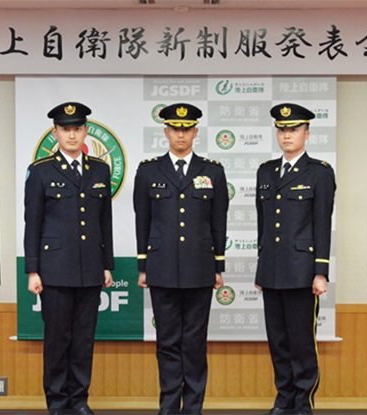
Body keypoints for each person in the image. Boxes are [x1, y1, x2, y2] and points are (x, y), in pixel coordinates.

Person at [133, 103, 228, 415]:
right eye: (175, 129)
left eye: (187, 129)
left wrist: (218, 265)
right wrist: (143, 265)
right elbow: (142, 221)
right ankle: (169, 406)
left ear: (196, 132)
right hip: (161, 269)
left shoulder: (212, 171)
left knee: (195, 342)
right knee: (167, 342)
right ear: (166, 131)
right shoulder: (148, 171)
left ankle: (193, 408)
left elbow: (218, 222)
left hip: (199, 269)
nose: (181, 135)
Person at [24, 102, 114, 415]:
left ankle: (79, 400)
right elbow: (32, 223)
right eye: (65, 129)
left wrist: (107, 265)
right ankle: (57, 402)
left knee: (83, 340)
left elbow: (105, 222)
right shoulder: (41, 171)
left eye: (77, 128)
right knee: (57, 339)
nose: (72, 135)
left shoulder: (100, 170)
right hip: (54, 270)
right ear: (55, 133)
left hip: (90, 268)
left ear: (86, 131)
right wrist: (33, 270)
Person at [255, 104, 336, 415]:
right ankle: (284, 398)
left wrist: (320, 271)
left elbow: (322, 224)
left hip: (302, 272)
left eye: (293, 129)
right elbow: (263, 223)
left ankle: (303, 402)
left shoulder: (319, 172)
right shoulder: (266, 171)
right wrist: (262, 265)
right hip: (272, 270)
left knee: (302, 342)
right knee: (278, 341)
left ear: (307, 133)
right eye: (282, 129)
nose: (286, 135)